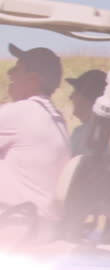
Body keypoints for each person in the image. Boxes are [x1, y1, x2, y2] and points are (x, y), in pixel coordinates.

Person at [0, 44, 71, 219]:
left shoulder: (21, 112)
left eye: (17, 69)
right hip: (41, 222)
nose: (10, 73)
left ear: (32, 78)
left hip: (16, 223)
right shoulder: (55, 116)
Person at [66, 69, 107, 156]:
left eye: (76, 92)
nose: (70, 97)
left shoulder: (89, 135)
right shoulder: (95, 131)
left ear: (86, 99)